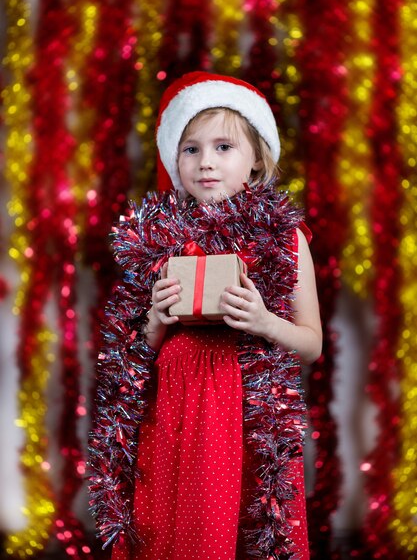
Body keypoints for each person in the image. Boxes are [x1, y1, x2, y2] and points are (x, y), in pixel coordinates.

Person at [88, 71, 322, 560]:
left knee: (234, 529)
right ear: (175, 161)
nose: (205, 162)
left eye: (223, 147)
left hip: (243, 412)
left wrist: (263, 321)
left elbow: (311, 343)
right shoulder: (159, 240)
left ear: (256, 161)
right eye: (190, 149)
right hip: (172, 408)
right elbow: (128, 358)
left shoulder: (283, 238)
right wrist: (155, 320)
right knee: (173, 530)